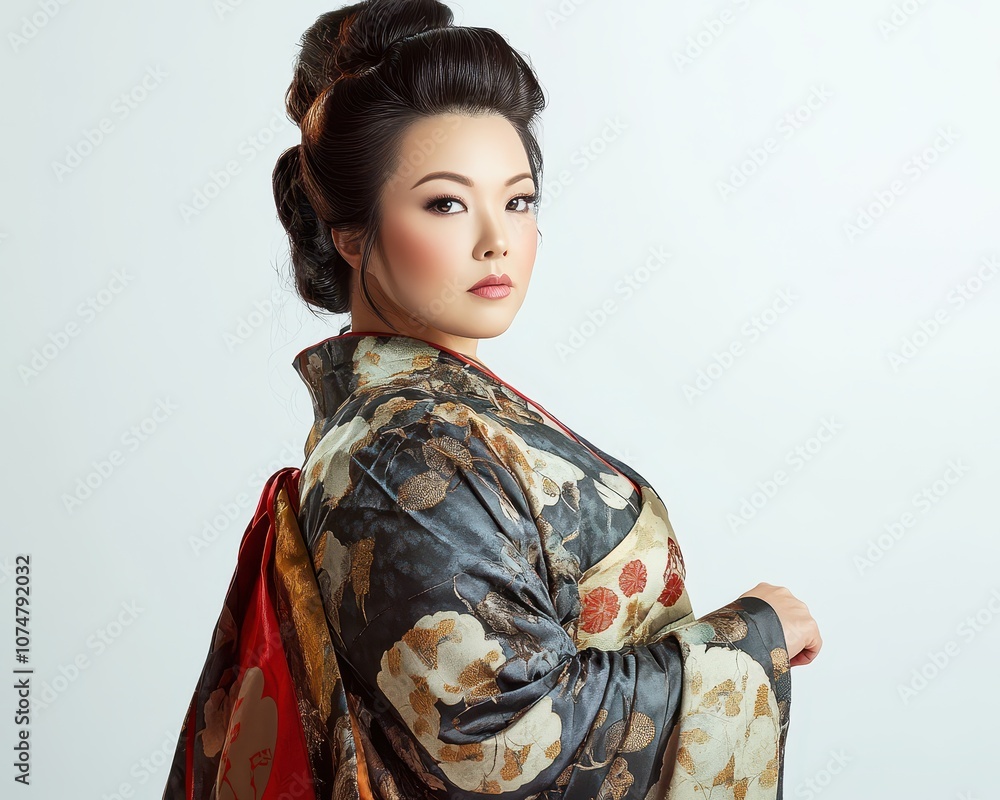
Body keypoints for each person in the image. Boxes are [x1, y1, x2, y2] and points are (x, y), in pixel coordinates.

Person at [165, 1, 821, 798]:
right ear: (349, 231)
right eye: (446, 203)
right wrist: (753, 638)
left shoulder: (421, 417)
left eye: (517, 200)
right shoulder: (399, 451)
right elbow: (496, 744)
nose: (496, 239)